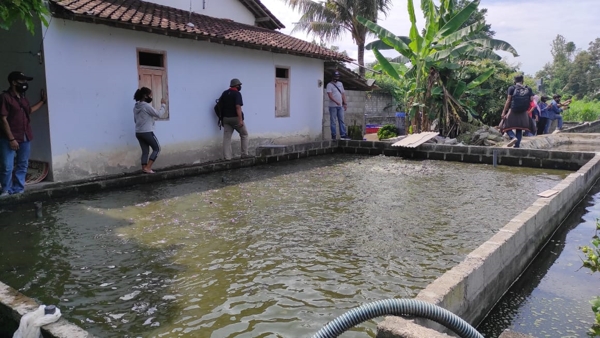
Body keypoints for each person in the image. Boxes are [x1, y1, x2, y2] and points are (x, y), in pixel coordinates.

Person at [0, 71, 46, 196]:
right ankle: (5, 190)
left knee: (23, 164)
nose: (25, 84)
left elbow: (28, 111)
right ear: (14, 82)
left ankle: (18, 189)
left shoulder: (23, 97)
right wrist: (11, 139)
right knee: (7, 166)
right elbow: (2, 119)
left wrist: (42, 101)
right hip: (8, 138)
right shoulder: (5, 97)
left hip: (25, 136)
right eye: (22, 81)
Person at [133, 87, 167, 174]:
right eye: (150, 95)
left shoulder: (136, 107)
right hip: (147, 132)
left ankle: (144, 168)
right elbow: (158, 114)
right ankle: (148, 168)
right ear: (145, 95)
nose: (151, 97)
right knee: (157, 149)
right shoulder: (146, 106)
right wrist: (163, 105)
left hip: (138, 132)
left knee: (145, 151)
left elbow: (135, 120)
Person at [219, 78, 249, 160]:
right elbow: (238, 107)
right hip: (235, 118)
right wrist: (240, 120)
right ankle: (244, 154)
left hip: (225, 119)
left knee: (227, 138)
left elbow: (220, 105)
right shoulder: (237, 94)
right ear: (237, 85)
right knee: (244, 134)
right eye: (239, 85)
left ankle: (227, 157)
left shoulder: (224, 93)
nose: (240, 87)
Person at [501, 75, 533, 148]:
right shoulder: (528, 88)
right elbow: (531, 99)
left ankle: (513, 137)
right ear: (523, 81)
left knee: (505, 125)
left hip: (513, 110)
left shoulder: (512, 88)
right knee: (519, 129)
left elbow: (508, 100)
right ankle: (517, 146)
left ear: (514, 81)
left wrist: (504, 112)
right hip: (523, 111)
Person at [326, 71, 349, 140]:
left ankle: (343, 134)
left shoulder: (340, 84)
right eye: (336, 77)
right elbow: (330, 95)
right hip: (333, 106)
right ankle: (334, 135)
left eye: (338, 77)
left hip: (340, 106)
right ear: (333, 77)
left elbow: (343, 94)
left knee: (341, 120)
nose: (337, 78)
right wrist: (336, 102)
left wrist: (345, 103)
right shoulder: (329, 85)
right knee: (333, 121)